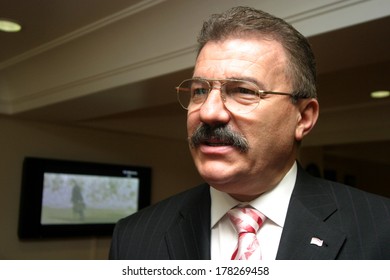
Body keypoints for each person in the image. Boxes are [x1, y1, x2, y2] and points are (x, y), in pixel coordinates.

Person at [109, 6, 390, 260]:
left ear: (303, 117)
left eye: (243, 91)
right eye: (200, 91)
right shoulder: (134, 237)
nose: (209, 112)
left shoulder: (380, 228)